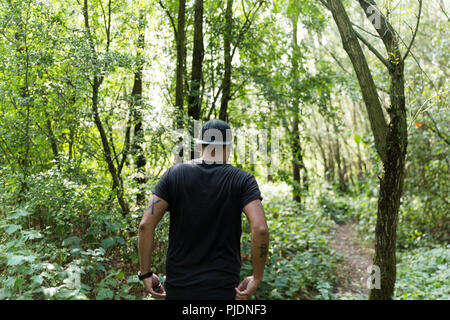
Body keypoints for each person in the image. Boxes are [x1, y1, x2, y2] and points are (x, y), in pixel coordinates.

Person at [137, 119, 269, 300]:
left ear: (200, 146)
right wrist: (257, 276)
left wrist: (145, 273)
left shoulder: (173, 175)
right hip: (222, 289)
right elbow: (260, 229)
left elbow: (145, 225)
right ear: (229, 146)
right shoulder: (243, 180)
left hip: (179, 288)